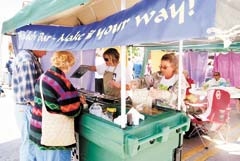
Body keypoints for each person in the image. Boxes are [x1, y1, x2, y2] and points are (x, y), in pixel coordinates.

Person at [30, 51, 86, 161]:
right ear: (68, 63)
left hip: (38, 129)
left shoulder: (43, 76)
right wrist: (81, 103)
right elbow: (72, 110)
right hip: (55, 136)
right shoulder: (61, 81)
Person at [12, 49, 47, 161]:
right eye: (45, 49)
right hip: (27, 107)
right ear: (38, 46)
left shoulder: (30, 57)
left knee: (31, 142)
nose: (46, 52)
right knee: (29, 142)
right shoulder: (27, 59)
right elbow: (29, 93)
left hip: (27, 107)